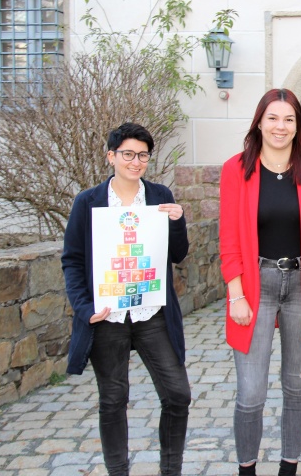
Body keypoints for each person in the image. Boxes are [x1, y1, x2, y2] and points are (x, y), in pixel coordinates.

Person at [219, 88, 301, 476]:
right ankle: (247, 470)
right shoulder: (236, 169)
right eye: (273, 118)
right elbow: (229, 239)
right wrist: (235, 293)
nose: (280, 126)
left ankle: (289, 468)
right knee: (251, 393)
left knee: (296, 387)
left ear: (298, 126)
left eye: (289, 119)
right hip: (257, 284)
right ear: (259, 121)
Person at [61, 123, 191, 476]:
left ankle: (170, 470)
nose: (136, 162)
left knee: (178, 394)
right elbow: (72, 259)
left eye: (143, 155)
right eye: (128, 154)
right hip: (109, 316)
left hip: (151, 314)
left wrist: (178, 222)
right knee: (114, 400)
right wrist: (85, 309)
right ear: (111, 156)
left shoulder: (161, 195)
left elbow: (177, 254)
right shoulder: (88, 202)